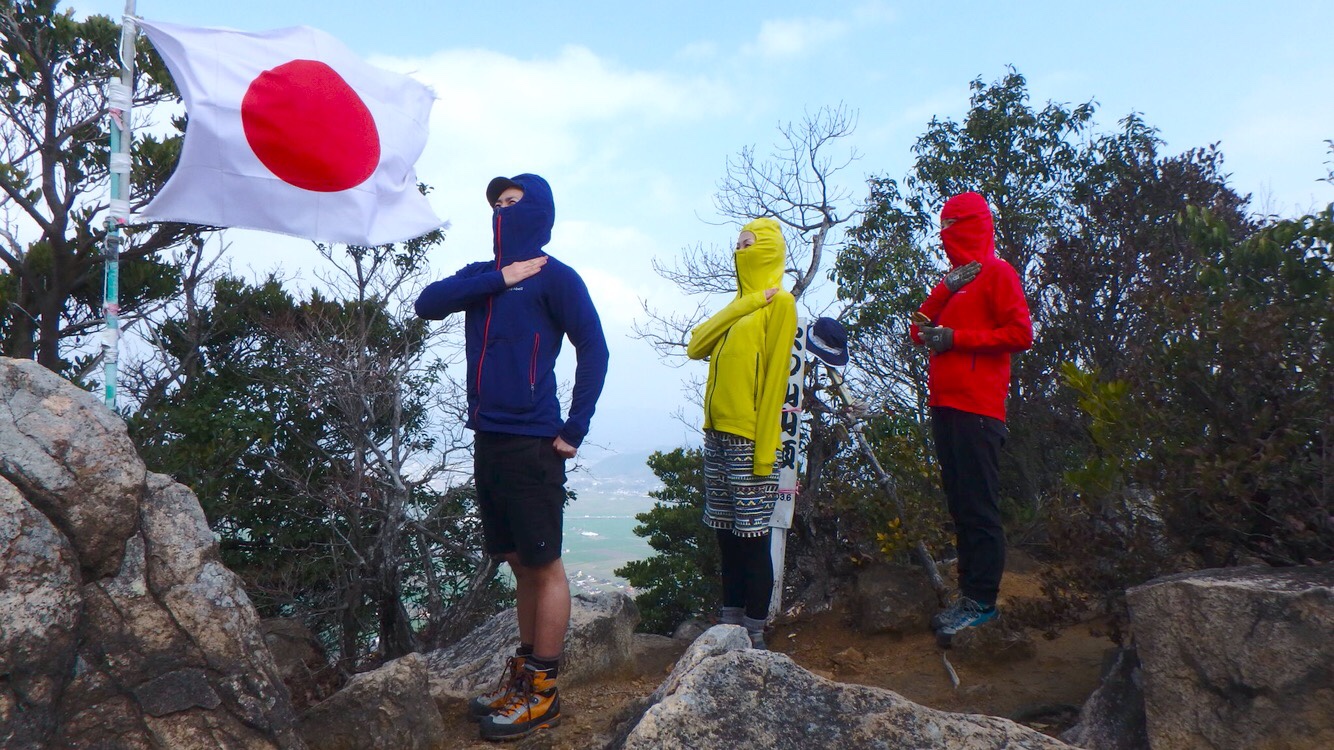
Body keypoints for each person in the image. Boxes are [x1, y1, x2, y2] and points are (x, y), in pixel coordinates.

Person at [414, 173, 608, 741]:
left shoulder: (558, 277)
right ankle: (523, 680)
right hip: (489, 438)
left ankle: (542, 694)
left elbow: (594, 348)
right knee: (519, 562)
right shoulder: (483, 277)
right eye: (497, 203)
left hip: (533, 442)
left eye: (513, 202)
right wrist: (501, 277)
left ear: (538, 211)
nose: (502, 209)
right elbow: (427, 304)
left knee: (544, 567)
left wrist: (575, 427)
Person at [909, 191, 1032, 646]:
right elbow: (917, 328)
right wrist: (945, 288)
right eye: (942, 225)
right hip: (945, 405)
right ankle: (968, 597)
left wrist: (955, 338)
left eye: (953, 224)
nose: (945, 234)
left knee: (979, 507)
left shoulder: (999, 273)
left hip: (978, 408)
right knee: (960, 505)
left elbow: (1021, 333)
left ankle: (982, 602)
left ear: (975, 224)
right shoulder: (956, 283)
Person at [686, 217, 797, 649]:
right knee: (725, 535)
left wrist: (766, 449)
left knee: (752, 539)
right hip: (716, 434)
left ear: (768, 250)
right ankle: (728, 625)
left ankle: (754, 631)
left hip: (751, 440)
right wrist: (745, 302)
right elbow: (695, 345)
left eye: (748, 244)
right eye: (737, 244)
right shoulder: (743, 306)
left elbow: (775, 382)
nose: (739, 251)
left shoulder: (781, 304)